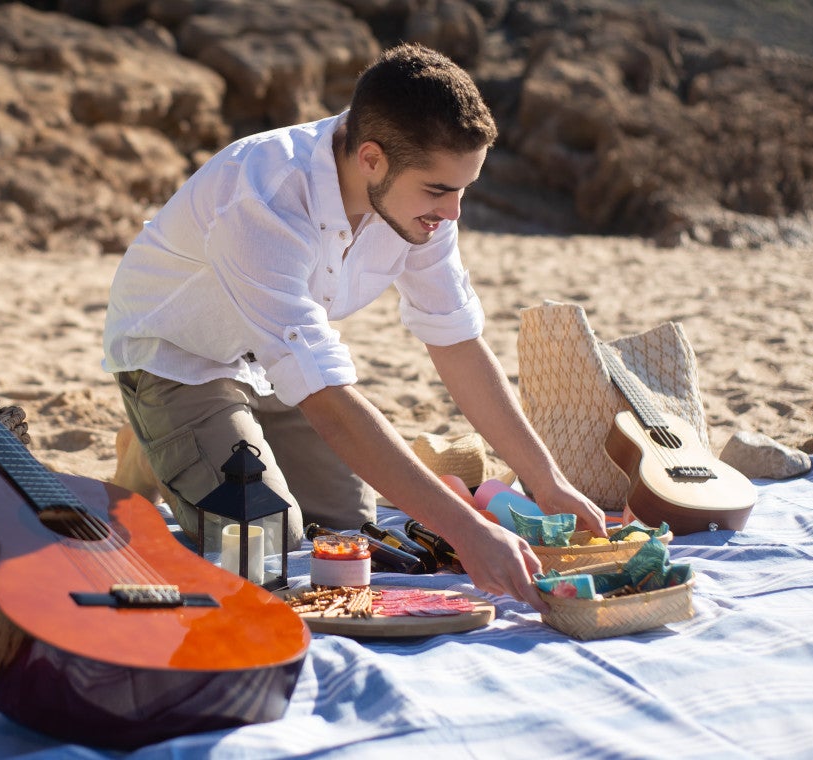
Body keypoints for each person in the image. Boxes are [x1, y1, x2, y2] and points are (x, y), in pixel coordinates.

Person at [103, 42, 606, 611]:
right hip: (177, 357)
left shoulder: (419, 208)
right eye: (439, 191)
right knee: (267, 547)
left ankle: (176, 445)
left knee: (344, 533)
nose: (454, 214)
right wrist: (468, 530)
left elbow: (458, 343)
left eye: (464, 189)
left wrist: (547, 479)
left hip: (270, 368)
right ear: (370, 158)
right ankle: (157, 438)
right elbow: (330, 403)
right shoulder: (265, 198)